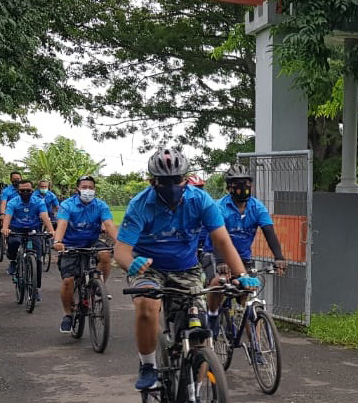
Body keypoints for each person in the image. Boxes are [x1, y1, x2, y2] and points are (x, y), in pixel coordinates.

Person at [114, 147, 261, 390]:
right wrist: (132, 264)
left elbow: (223, 241)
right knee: (146, 306)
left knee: (201, 331)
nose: (172, 186)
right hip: (148, 267)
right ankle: (148, 364)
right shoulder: (140, 204)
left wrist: (241, 275)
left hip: (187, 268)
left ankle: (197, 392)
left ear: (185, 179)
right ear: (153, 181)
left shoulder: (200, 200)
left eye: (177, 180)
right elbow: (120, 250)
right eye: (165, 181)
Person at [201, 164, 288, 336]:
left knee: (247, 294)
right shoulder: (219, 207)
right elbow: (217, 237)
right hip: (214, 254)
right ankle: (212, 315)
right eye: (238, 183)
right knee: (219, 283)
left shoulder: (257, 207)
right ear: (229, 188)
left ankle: (256, 348)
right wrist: (221, 262)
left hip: (242, 257)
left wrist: (279, 257)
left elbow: (269, 232)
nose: (244, 187)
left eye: (247, 183)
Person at [53, 175, 118, 333]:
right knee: (68, 280)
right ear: (77, 189)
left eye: (91, 187)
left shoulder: (100, 205)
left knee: (104, 255)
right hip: (69, 244)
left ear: (95, 189)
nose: (88, 190)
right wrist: (58, 241)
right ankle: (68, 315)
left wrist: (120, 243)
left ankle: (98, 287)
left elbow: (109, 224)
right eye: (84, 187)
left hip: (91, 242)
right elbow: (62, 223)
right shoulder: (68, 205)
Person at [2, 179, 56, 299]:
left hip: (33, 230)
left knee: (38, 259)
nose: (25, 192)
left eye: (28, 190)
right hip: (16, 229)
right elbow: (8, 216)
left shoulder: (38, 202)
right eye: (22, 190)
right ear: (18, 191)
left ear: (32, 190)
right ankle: (13, 262)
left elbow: (44, 216)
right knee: (13, 242)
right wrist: (5, 228)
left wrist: (51, 230)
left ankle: (35, 288)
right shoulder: (13, 202)